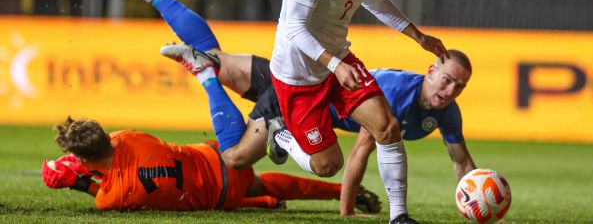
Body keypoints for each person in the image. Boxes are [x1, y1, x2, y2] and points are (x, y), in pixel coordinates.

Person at [94, 0, 474, 218]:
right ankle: (206, 75)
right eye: (446, 79)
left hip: (304, 76)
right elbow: (359, 153)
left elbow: (461, 162)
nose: (450, 89)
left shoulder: (447, 112)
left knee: (213, 55)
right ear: (430, 71)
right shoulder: (397, 93)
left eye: (458, 85)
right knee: (236, 159)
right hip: (298, 95)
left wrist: (475, 193)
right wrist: (347, 211)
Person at [268, 0, 450, 224]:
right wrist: (334, 66)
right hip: (299, 74)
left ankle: (399, 216)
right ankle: (282, 135)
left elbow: (375, 0)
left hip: (337, 59)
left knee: (387, 127)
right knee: (327, 166)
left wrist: (418, 35)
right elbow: (293, 29)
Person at [41, 116, 380, 212]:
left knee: (257, 189)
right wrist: (83, 161)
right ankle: (337, 187)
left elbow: (99, 189)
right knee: (260, 177)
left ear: (86, 159)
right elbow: (113, 152)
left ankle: (260, 200)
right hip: (218, 153)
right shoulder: (129, 136)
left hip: (222, 193)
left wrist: (75, 180)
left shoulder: (113, 196)